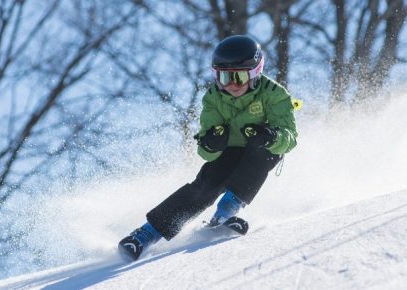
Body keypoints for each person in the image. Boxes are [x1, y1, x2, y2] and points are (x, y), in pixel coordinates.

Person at [118, 35, 298, 261]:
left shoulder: (274, 94)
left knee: (264, 155)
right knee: (206, 184)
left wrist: (271, 136)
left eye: (239, 77)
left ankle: (225, 212)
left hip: (260, 148)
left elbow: (290, 138)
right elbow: (205, 150)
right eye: (224, 77)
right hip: (229, 151)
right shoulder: (213, 98)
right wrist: (211, 143)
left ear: (255, 73)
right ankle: (145, 235)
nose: (231, 85)